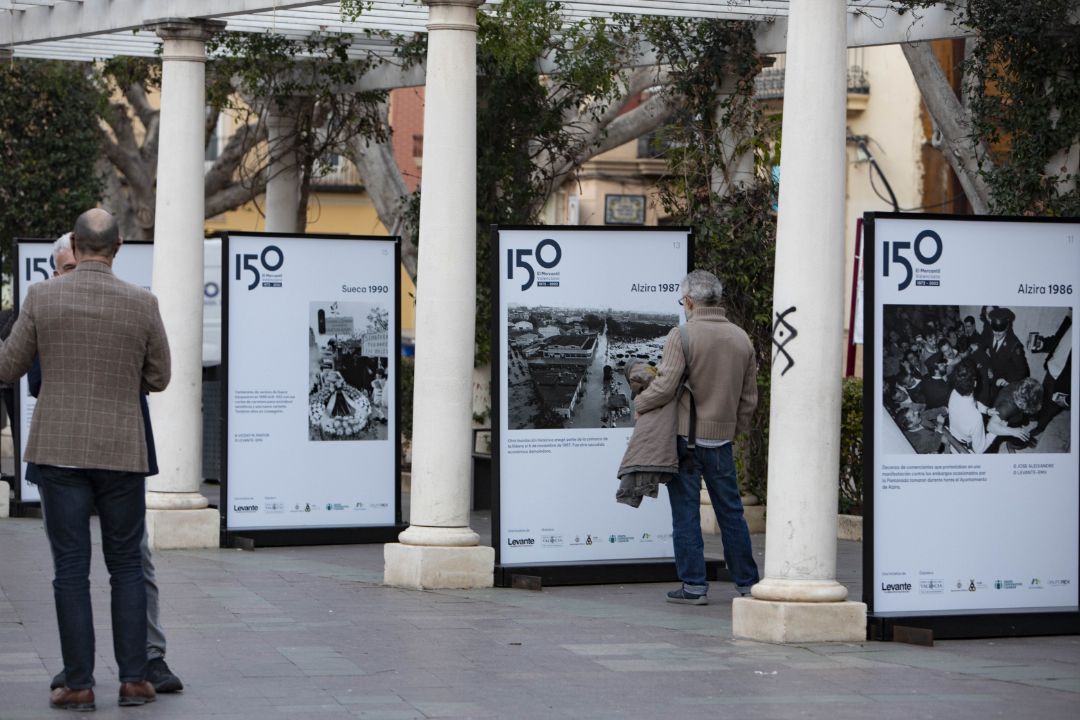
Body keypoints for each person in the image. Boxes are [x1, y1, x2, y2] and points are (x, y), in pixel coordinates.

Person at [0, 209, 171, 711]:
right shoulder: (143, 303)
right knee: (126, 566)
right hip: (122, 450)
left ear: (74, 244)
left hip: (59, 452)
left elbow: (9, 366)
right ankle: (135, 680)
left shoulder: (43, 296)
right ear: (118, 247)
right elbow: (159, 377)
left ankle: (78, 683)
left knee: (70, 569)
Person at [633, 270, 759, 604]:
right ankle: (747, 583)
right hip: (721, 443)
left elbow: (665, 386)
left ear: (689, 301)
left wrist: (640, 403)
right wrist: (732, 431)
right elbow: (749, 400)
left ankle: (694, 587)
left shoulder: (683, 335)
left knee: (685, 514)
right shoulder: (741, 338)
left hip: (685, 441)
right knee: (731, 512)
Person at [946, 363, 997, 453]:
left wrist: (986, 410)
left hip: (953, 438)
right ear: (975, 383)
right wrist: (995, 432)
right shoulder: (976, 418)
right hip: (965, 448)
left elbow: (971, 403)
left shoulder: (954, 393)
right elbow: (979, 450)